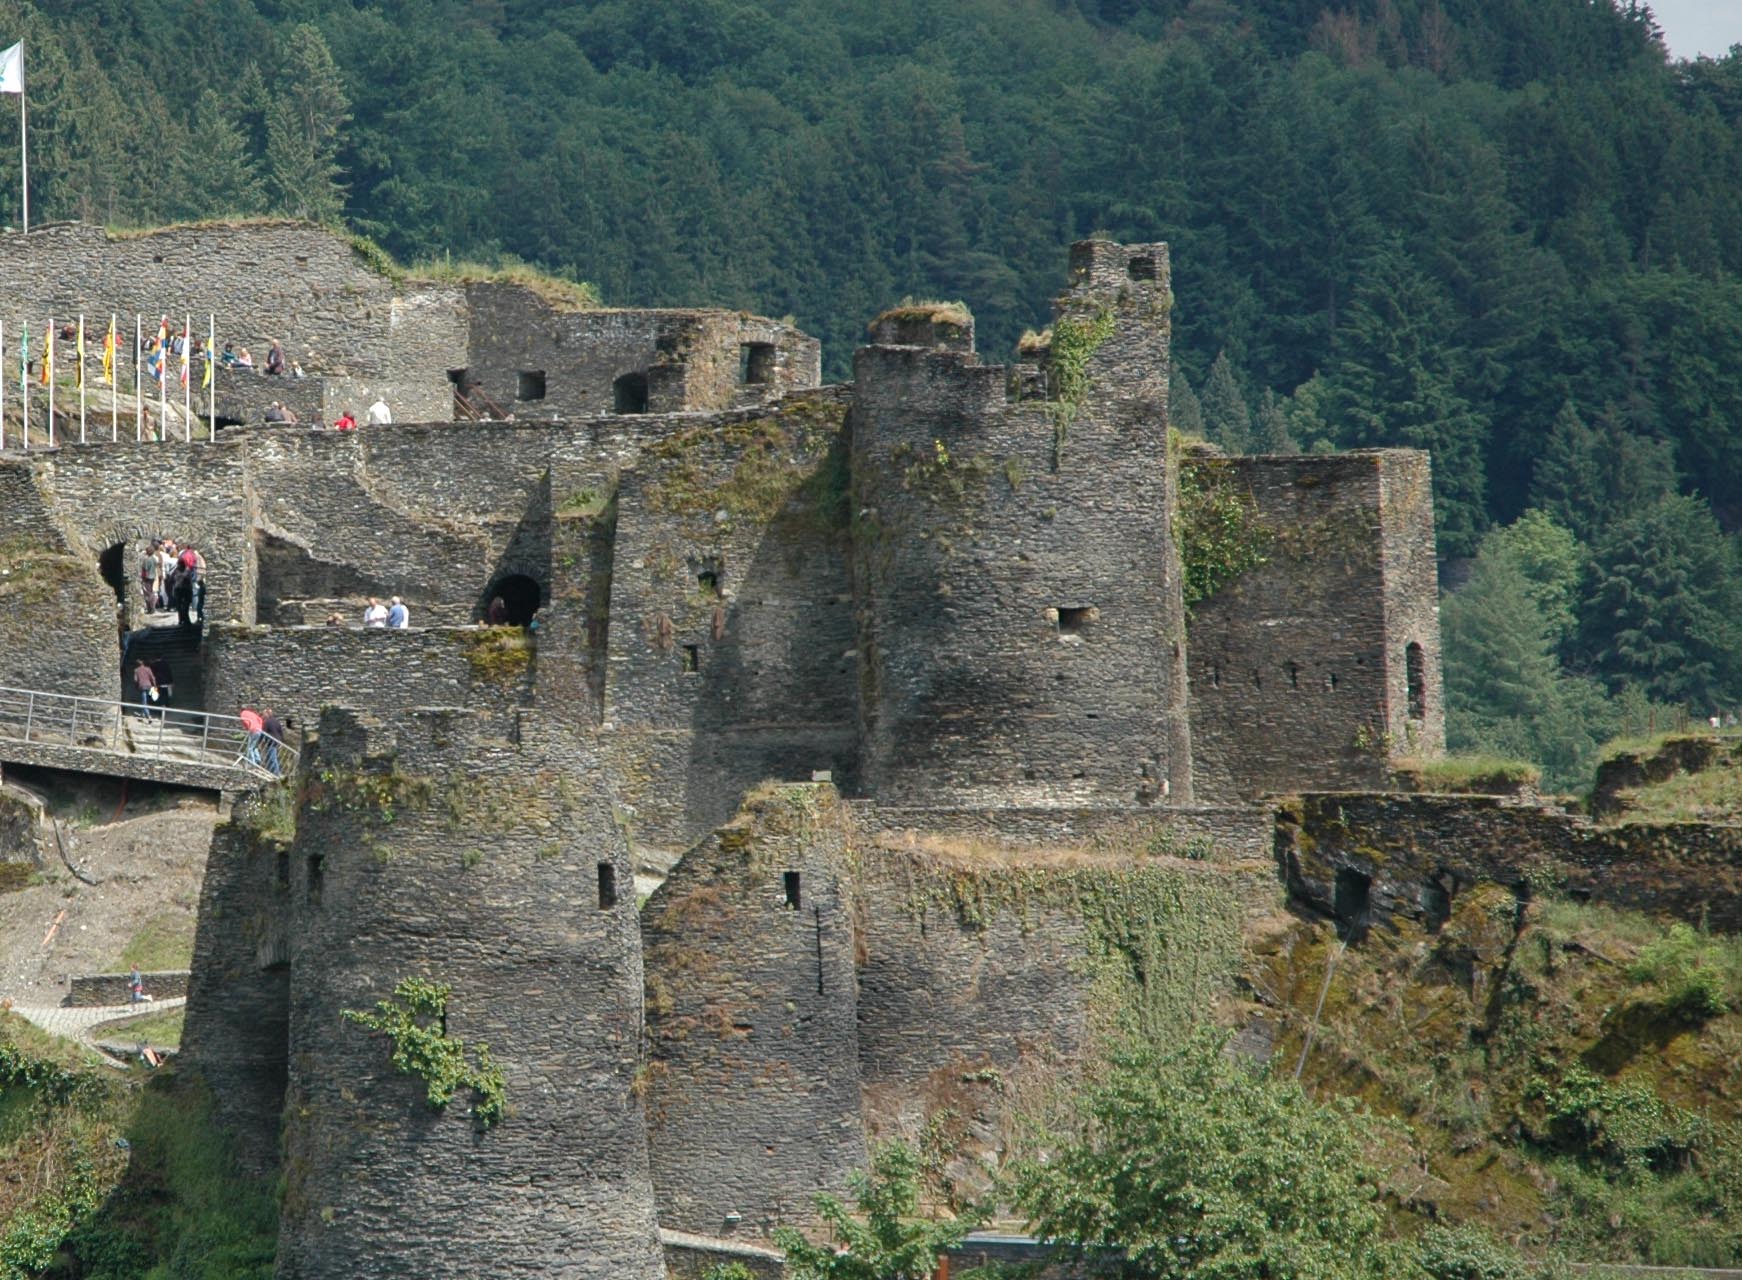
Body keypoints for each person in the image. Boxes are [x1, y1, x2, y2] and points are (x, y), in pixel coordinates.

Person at [262, 707, 285, 775]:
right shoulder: (276, 721)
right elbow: (280, 732)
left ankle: (277, 772)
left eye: (264, 714)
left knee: (272, 756)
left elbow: (264, 732)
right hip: (277, 740)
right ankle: (271, 770)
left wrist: (260, 740)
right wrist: (281, 741)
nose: (263, 716)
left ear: (267, 714)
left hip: (271, 740)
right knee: (271, 755)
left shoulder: (267, 722)